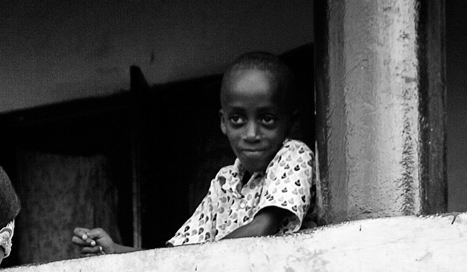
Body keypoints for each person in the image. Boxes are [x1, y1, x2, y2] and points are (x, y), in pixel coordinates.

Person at [71, 52, 314, 256]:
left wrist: (200, 258)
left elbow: (262, 228)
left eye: (267, 119)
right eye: (237, 119)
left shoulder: (293, 155)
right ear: (223, 122)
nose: (251, 134)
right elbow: (177, 256)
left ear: (291, 122)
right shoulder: (224, 182)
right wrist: (116, 250)